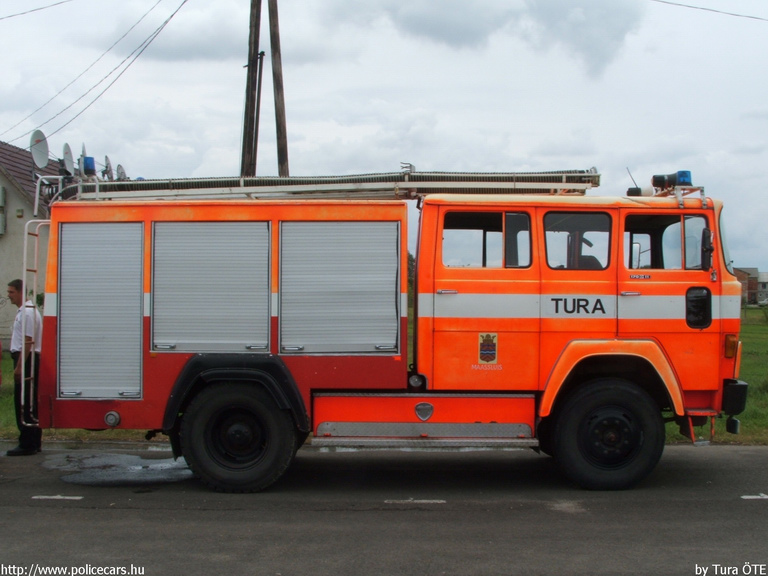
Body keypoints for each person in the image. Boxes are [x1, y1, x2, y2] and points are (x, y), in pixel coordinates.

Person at [6, 279, 43, 456]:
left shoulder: (28, 312)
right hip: (26, 357)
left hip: (27, 359)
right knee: (29, 400)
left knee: (24, 401)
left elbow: (29, 341)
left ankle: (28, 442)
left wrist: (20, 366)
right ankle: (33, 441)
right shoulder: (24, 311)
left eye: (11, 292)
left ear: (21, 292)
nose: (9, 295)